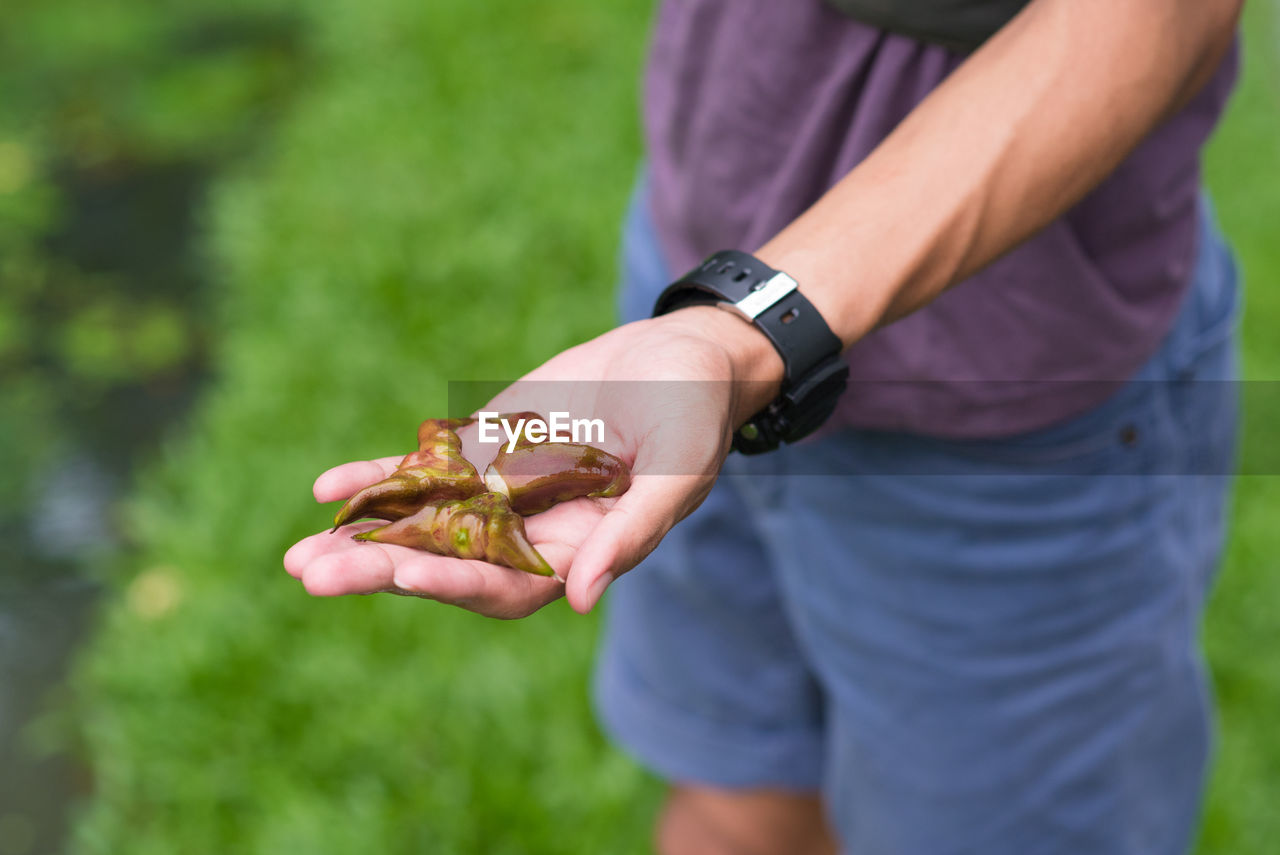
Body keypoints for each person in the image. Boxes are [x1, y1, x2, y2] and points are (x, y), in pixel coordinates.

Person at [284, 0, 1245, 851]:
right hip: (683, 290)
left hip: (1003, 397)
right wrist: (716, 331)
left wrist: (744, 334)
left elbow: (1156, 15)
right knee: (736, 800)